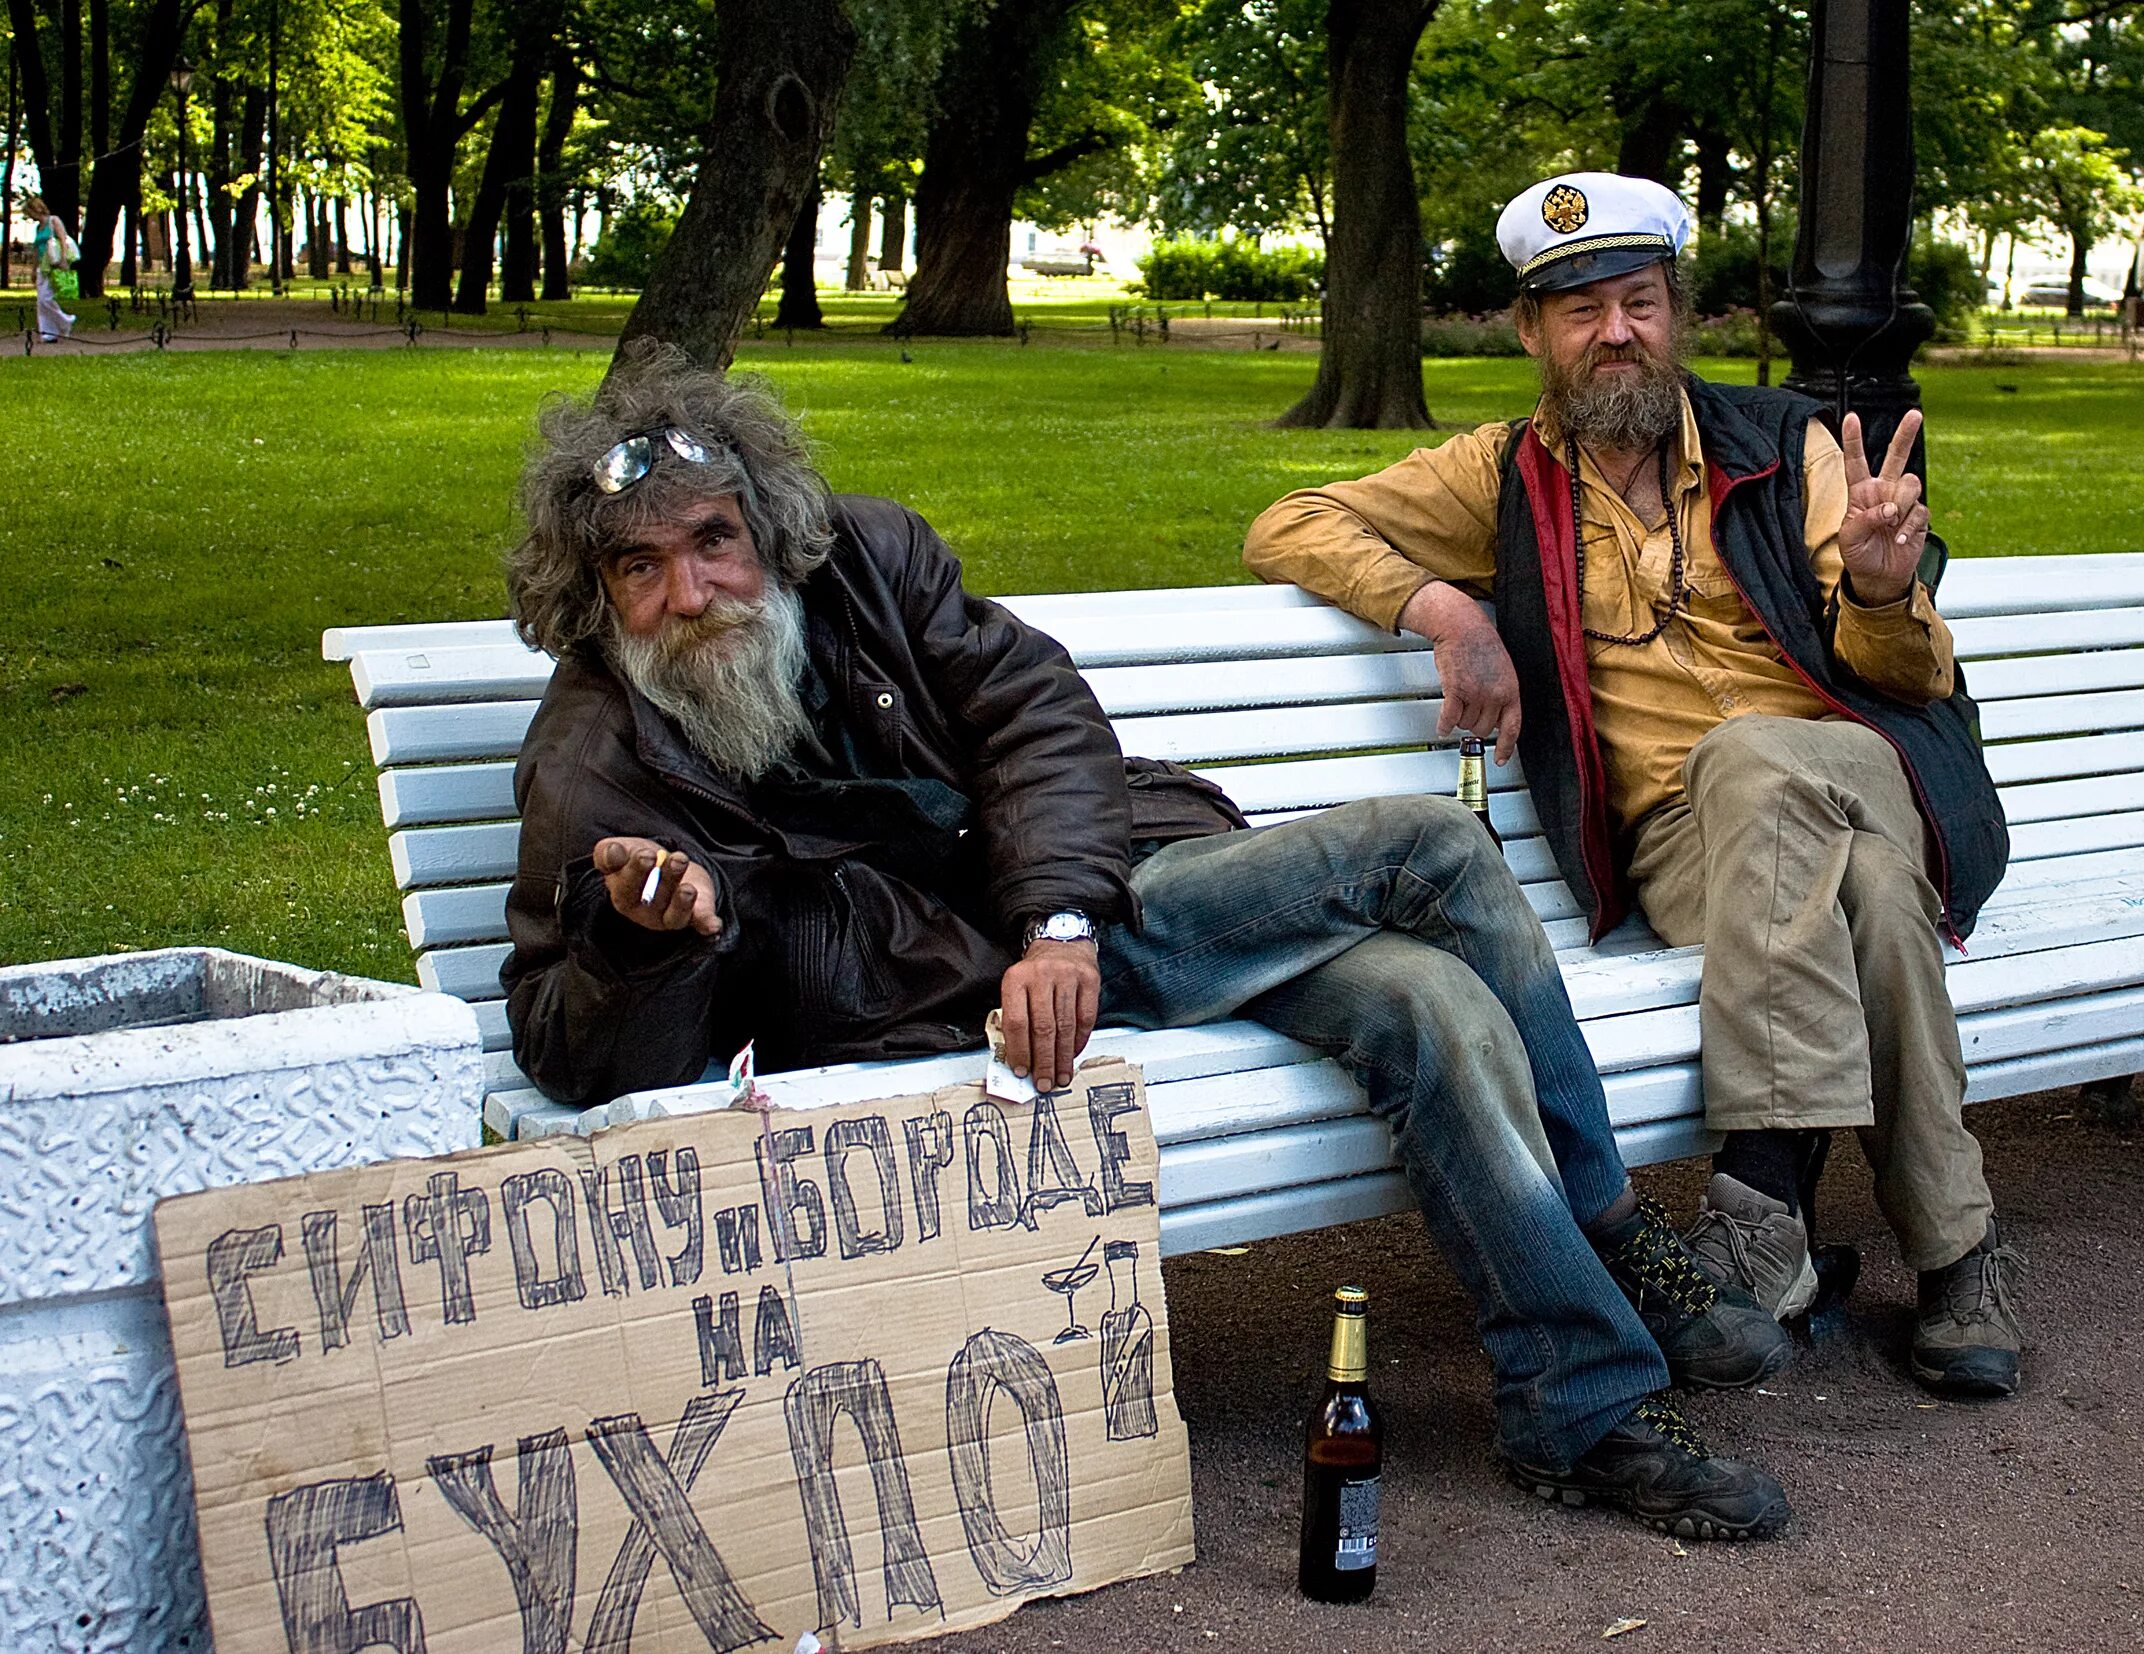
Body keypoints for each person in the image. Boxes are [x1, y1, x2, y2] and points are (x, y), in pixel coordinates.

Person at [502, 345, 1796, 1539]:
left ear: (764, 532)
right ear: (597, 590)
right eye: (640, 567)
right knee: (1431, 874)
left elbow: (1037, 714)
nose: (692, 591)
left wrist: (1056, 917)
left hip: (1085, 903)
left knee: (1427, 990)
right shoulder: (593, 750)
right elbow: (583, 1059)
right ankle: (1611, 1266)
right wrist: (642, 938)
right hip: (951, 1004)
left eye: (712, 541)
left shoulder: (866, 562)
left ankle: (1572, 1397)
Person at [1244, 173, 2028, 1399]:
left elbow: (1903, 676)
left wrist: (1878, 584)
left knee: (1764, 758)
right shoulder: (1498, 477)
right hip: (1681, 848)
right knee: (1871, 899)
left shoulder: (1788, 446)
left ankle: (1761, 1205)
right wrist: (1446, 607)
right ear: (1531, 334)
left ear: (1681, 315)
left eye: (1640, 302)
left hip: (1861, 772)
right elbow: (1286, 521)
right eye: (1580, 311)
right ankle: (1955, 1252)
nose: (1614, 332)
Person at [23, 195, 77, 345]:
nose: (29, 216)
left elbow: (63, 239)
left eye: (30, 212)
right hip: (42, 266)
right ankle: (48, 333)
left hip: (53, 264)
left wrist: (63, 259)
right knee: (40, 302)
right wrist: (33, 269)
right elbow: (36, 250)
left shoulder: (53, 221)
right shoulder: (38, 228)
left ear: (36, 209)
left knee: (46, 298)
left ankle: (66, 320)